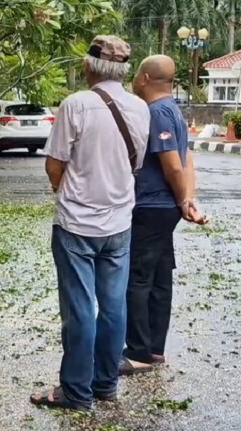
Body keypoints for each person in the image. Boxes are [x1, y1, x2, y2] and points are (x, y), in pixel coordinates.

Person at [30, 35, 150, 411]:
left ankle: (76, 392)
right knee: (113, 307)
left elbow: (54, 164)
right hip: (119, 224)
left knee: (80, 309)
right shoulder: (140, 107)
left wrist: (65, 191)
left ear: (88, 66)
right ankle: (105, 385)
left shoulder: (76, 104)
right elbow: (136, 162)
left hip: (76, 225)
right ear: (124, 70)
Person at [120, 55, 208, 376]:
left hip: (151, 207)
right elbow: (187, 158)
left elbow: (172, 163)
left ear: (144, 78)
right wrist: (186, 199)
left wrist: (183, 199)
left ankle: (138, 353)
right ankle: (155, 349)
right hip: (166, 207)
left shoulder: (156, 112)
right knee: (159, 278)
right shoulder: (174, 111)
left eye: (136, 74)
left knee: (138, 279)